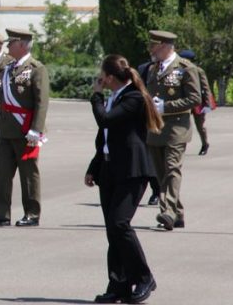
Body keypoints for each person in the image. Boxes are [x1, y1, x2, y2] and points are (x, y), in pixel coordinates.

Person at [85, 55, 161, 304]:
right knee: (112, 231)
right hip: (110, 170)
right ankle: (119, 285)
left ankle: (144, 276)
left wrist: (95, 96)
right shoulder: (116, 97)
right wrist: (94, 167)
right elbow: (105, 137)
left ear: (109, 77)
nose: (100, 79)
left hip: (132, 170)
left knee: (120, 224)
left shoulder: (134, 98)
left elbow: (105, 120)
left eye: (102, 75)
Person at [0, 27, 49, 228]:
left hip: (25, 129)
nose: (8, 46)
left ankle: (32, 213)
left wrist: (36, 130)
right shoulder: (8, 67)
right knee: (2, 173)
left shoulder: (36, 68)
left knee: (28, 173)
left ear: (21, 44)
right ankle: (0, 214)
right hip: (6, 128)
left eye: (11, 42)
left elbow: (41, 102)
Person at [143, 30, 200, 231]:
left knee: (172, 169)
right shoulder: (152, 69)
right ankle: (178, 213)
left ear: (166, 46)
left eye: (154, 46)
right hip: (156, 129)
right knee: (160, 174)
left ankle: (167, 212)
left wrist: (165, 107)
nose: (152, 50)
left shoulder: (186, 68)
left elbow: (195, 99)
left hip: (176, 128)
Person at [178, 49, 213, 156]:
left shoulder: (198, 71)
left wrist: (207, 104)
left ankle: (205, 144)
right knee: (182, 125)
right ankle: (179, 147)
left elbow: (205, 88)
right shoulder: (179, 71)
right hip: (185, 101)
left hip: (198, 102)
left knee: (200, 126)